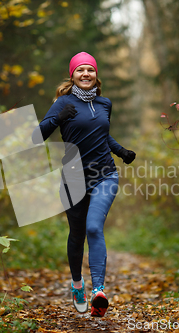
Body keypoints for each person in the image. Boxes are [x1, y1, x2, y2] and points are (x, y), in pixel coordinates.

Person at [32, 51, 136, 317]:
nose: (86, 74)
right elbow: (36, 136)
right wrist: (58, 117)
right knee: (77, 236)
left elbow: (102, 136)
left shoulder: (104, 103)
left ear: (96, 74)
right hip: (73, 179)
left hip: (105, 175)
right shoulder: (62, 102)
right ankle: (77, 285)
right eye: (80, 70)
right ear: (73, 75)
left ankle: (98, 290)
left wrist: (121, 151)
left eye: (90, 69)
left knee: (93, 227)